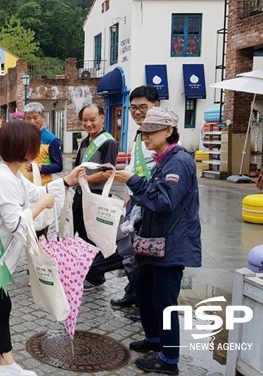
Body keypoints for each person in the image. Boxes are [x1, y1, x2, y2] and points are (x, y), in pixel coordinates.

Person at [0, 120, 83, 376]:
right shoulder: (2, 178)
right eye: (34, 144)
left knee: (2, 309)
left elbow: (36, 191)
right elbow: (17, 222)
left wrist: (66, 182)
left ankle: (7, 365)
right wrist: (41, 205)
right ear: (26, 149)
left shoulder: (11, 174)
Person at [112, 107, 201, 375]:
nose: (145, 136)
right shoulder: (164, 159)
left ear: (168, 131)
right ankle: (153, 340)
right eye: (143, 132)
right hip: (154, 243)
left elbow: (164, 201)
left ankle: (169, 360)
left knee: (165, 303)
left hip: (171, 245)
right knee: (146, 292)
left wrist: (135, 182)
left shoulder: (179, 162)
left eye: (150, 132)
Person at [110, 86, 160, 317]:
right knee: (129, 250)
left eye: (143, 107)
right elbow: (134, 166)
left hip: (151, 202)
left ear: (156, 106)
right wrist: (127, 196)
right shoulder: (140, 134)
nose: (138, 112)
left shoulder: (162, 136)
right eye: (134, 108)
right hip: (135, 200)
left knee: (144, 255)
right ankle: (133, 292)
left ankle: (146, 301)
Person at [72, 103, 119, 290]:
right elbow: (78, 168)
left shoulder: (108, 143)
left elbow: (108, 173)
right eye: (85, 120)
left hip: (96, 196)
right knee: (81, 235)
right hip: (81, 195)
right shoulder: (84, 142)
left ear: (102, 118)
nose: (88, 124)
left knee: (95, 236)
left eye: (92, 119)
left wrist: (84, 180)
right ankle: (85, 271)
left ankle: (96, 276)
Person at [23, 102, 63, 185]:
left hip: (42, 185)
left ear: (43, 117)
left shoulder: (52, 140)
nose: (32, 122)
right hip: (24, 185)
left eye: (35, 118)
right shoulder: (22, 137)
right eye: (28, 118)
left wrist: (40, 168)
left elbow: (58, 166)